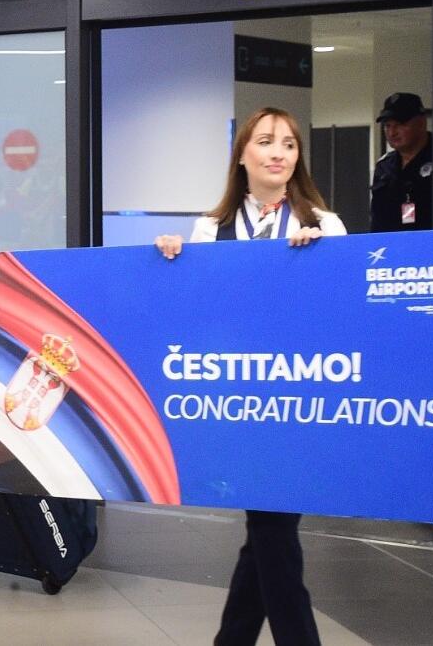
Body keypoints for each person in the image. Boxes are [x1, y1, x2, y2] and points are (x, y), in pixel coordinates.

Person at [156, 107, 345, 645]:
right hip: (232, 402)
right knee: (268, 528)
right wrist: (171, 262)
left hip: (296, 400)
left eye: (289, 144)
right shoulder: (209, 230)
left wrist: (321, 263)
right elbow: (191, 315)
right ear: (243, 154)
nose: (279, 152)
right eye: (266, 141)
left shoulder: (324, 225)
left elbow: (342, 313)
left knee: (270, 526)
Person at [370, 92, 433, 232]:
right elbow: (377, 219)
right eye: (387, 126)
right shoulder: (384, 167)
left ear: (421, 122)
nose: (392, 133)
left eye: (400, 125)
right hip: (392, 246)